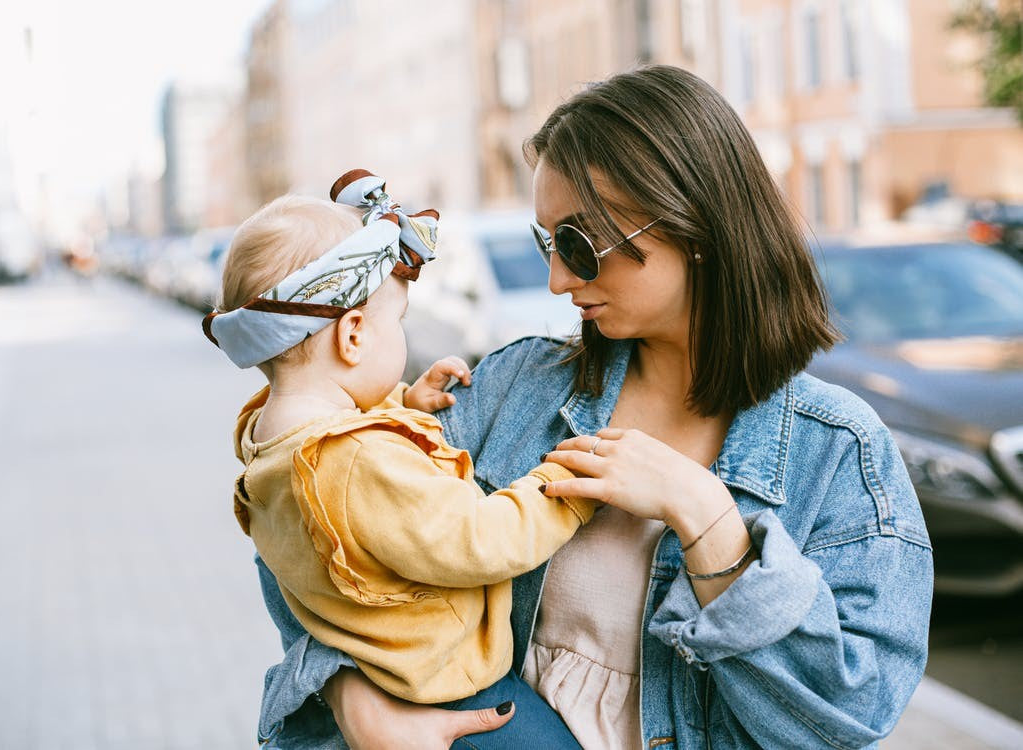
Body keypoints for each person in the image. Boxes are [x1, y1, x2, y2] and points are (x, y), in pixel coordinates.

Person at [251, 66, 934, 749]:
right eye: (548, 243)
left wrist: (708, 522)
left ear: (691, 221)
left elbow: (841, 721)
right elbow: (307, 527)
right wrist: (352, 695)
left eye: (579, 245)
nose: (555, 280)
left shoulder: (839, 451)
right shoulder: (515, 386)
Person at [204, 170, 597, 749]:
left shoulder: (272, 442)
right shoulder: (360, 461)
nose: (404, 336)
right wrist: (564, 483)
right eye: (399, 321)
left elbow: (342, 480)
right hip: (449, 690)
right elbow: (479, 538)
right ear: (354, 336)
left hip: (378, 678)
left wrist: (401, 406)